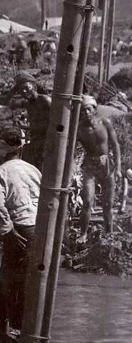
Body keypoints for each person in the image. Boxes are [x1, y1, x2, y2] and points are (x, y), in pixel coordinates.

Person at [0, 127, 40, 340]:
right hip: (36, 229)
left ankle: (10, 327)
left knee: (12, 279)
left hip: (19, 229)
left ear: (3, 149)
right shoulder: (32, 170)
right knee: (21, 277)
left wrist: (7, 230)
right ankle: (9, 323)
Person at [77, 95, 121, 239]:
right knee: (88, 200)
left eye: (88, 109)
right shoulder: (79, 129)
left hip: (107, 164)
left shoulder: (105, 123)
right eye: (83, 110)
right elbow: (71, 149)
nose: (86, 113)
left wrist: (118, 168)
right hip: (90, 164)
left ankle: (109, 234)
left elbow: (115, 145)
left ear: (94, 110)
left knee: (108, 204)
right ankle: (83, 234)